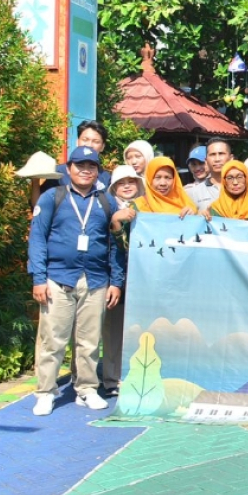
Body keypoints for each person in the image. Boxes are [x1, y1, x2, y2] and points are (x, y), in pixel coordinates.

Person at [27, 146, 122, 416]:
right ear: (69, 169)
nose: (85, 170)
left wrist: (116, 281)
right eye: (79, 165)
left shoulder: (106, 201)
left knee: (90, 341)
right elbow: (37, 239)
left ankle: (87, 389)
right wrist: (38, 278)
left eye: (91, 166)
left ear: (98, 171)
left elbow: (115, 244)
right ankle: (46, 392)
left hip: (95, 280)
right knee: (52, 340)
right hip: (58, 278)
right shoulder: (51, 197)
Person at [101, 164, 141, 398]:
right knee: (113, 331)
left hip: (143, 279)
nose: (127, 186)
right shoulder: (105, 207)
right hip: (114, 277)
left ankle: (135, 378)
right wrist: (115, 220)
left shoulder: (149, 207)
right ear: (114, 187)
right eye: (121, 183)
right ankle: (111, 380)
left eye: (131, 181)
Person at [135, 157, 200, 219]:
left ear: (175, 180)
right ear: (149, 179)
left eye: (168, 178)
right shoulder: (139, 205)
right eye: (157, 177)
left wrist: (193, 216)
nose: (163, 183)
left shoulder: (186, 203)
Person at [55, 120, 113, 189]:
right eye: (85, 139)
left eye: (96, 141)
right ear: (77, 142)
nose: (89, 145)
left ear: (102, 147)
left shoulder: (106, 178)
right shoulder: (58, 173)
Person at [187, 137, 232, 211]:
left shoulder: (243, 188)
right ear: (206, 160)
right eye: (212, 154)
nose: (217, 159)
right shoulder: (192, 192)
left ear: (231, 158)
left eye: (221, 154)